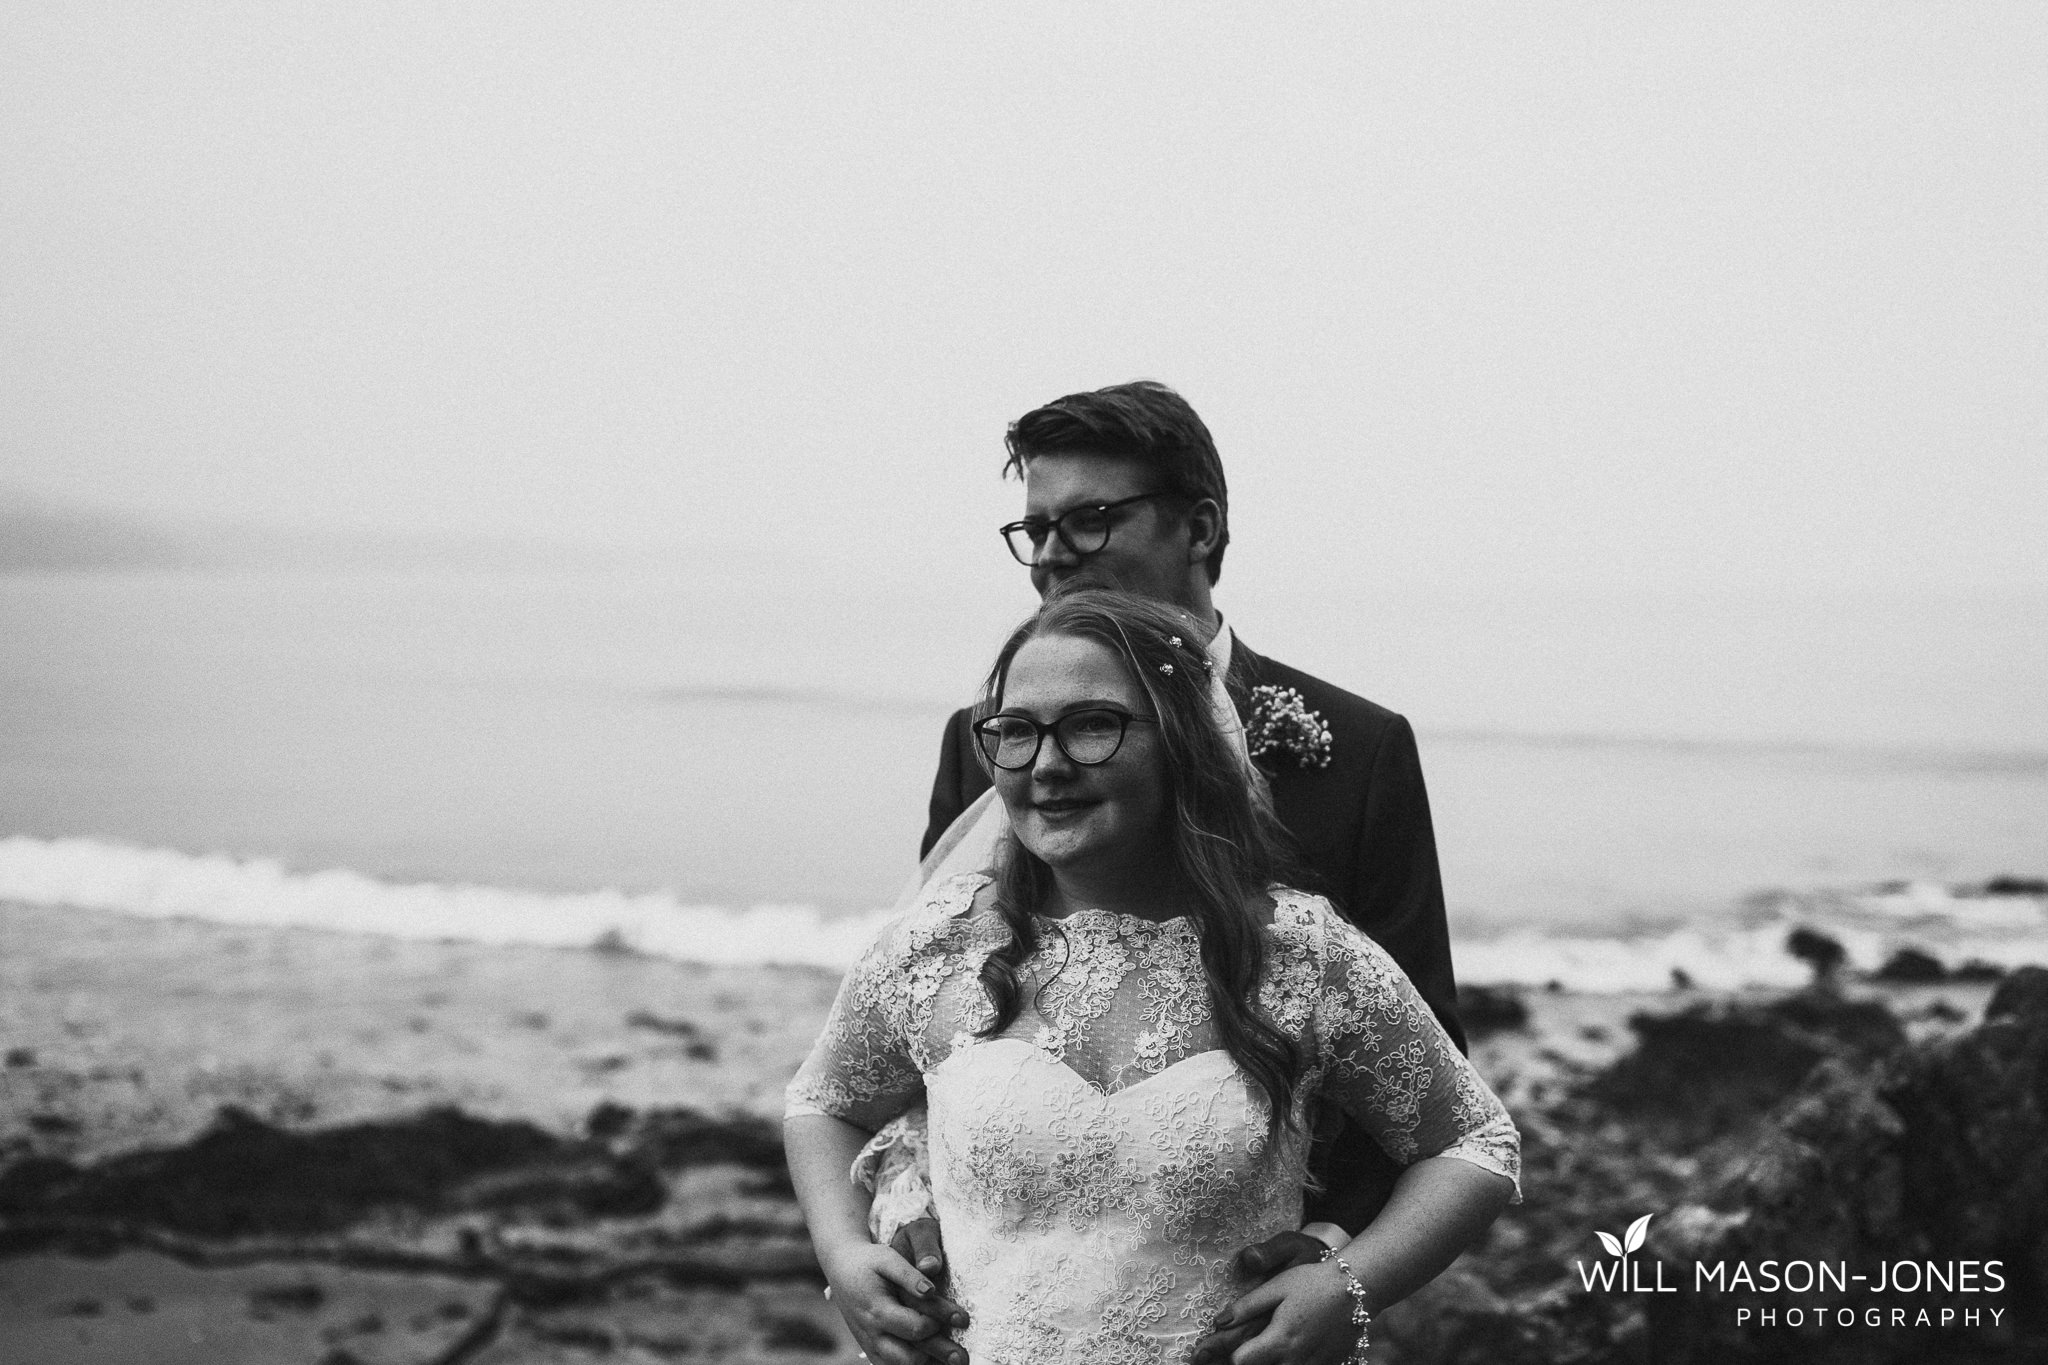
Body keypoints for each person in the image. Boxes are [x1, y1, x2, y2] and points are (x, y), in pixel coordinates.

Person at [785, 588, 1518, 1365]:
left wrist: (1350, 1286)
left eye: (1093, 724)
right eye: (1016, 732)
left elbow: (1477, 1142)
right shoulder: (938, 945)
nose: (1048, 764)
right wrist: (841, 1252)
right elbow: (822, 1102)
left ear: (1181, 743)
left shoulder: (1301, 952)